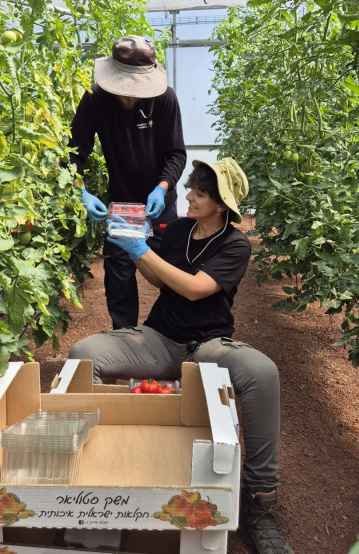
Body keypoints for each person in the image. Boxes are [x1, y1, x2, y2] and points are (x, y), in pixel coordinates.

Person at [69, 157, 293, 554]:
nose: (187, 195)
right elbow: (158, 277)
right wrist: (131, 242)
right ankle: (94, 469)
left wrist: (141, 246)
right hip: (159, 337)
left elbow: (193, 288)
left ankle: (261, 499)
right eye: (190, 188)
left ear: (221, 204)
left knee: (262, 372)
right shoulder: (180, 230)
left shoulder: (235, 243)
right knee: (84, 354)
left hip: (206, 346)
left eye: (199, 192)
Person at [69, 34, 187, 330]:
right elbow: (73, 152)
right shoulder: (95, 99)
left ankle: (175, 335)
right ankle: (125, 338)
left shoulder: (165, 99)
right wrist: (80, 191)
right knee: (119, 271)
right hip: (121, 204)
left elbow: (176, 153)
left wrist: (163, 188)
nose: (131, 94)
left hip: (160, 204)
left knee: (171, 271)